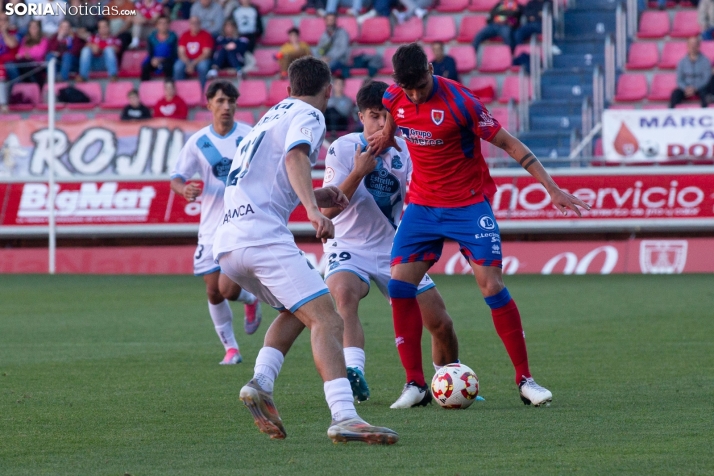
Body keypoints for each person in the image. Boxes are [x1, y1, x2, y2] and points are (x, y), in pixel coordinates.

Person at [367, 43, 590, 407]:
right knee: (400, 285)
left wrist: (551, 188)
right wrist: (387, 135)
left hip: (468, 205)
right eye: (409, 89)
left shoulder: (461, 102)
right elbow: (395, 114)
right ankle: (415, 384)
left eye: (421, 86)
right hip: (422, 204)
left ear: (431, 67)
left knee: (491, 286)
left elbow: (509, 143)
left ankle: (525, 380)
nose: (416, 94)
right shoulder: (395, 96)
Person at [214, 57, 398, 444]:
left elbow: (266, 182)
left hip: (229, 242)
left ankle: (261, 382)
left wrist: (315, 195)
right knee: (329, 319)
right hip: (262, 237)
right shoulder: (311, 115)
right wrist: (315, 212)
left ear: (287, 87)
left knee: (296, 310)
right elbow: (295, 156)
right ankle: (345, 416)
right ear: (329, 91)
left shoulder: (267, 118)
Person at [321, 80, 460, 406]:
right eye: (374, 117)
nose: (382, 125)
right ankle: (354, 372)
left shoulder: (407, 150)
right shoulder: (342, 148)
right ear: (360, 117)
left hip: (393, 248)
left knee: (440, 323)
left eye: (388, 117)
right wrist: (359, 171)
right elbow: (327, 210)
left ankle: (448, 382)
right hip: (347, 246)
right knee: (344, 293)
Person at [170, 80, 262, 364]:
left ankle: (250, 299)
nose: (226, 106)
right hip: (210, 226)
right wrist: (184, 189)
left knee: (228, 289)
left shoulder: (248, 136)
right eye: (221, 101)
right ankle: (231, 349)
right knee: (213, 290)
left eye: (231, 101)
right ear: (209, 104)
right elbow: (177, 178)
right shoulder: (199, 142)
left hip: (240, 223)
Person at [670, 36, 711, 108]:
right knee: (675, 94)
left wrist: (695, 88)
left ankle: (705, 115)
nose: (693, 47)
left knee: (705, 95)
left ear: (698, 46)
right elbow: (679, 79)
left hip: (700, 87)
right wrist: (685, 88)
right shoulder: (682, 62)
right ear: (687, 46)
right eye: (691, 44)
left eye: (695, 44)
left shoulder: (705, 61)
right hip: (686, 88)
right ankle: (671, 115)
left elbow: (706, 78)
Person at [174, 16, 214, 89]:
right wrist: (188, 64)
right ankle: (180, 90)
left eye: (197, 23)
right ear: (189, 24)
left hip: (201, 60)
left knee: (203, 67)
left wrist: (192, 64)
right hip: (187, 60)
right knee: (177, 67)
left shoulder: (206, 35)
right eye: (193, 23)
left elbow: (206, 54)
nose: (195, 25)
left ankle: (203, 91)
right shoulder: (184, 35)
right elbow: (181, 52)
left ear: (200, 24)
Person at [6, 20, 48, 89]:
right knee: (10, 65)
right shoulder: (25, 39)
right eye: (31, 27)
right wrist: (24, 55)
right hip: (24, 63)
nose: (32, 29)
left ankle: (31, 88)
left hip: (36, 65)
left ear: (39, 28)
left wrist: (28, 54)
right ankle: (17, 88)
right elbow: (20, 52)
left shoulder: (43, 40)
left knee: (25, 63)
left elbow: (40, 53)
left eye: (35, 27)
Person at [141, 16, 178, 81]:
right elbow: (150, 52)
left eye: (165, 23)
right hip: (155, 60)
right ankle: (145, 88)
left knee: (168, 66)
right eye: (160, 23)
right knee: (145, 66)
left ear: (168, 25)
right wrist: (153, 60)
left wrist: (161, 59)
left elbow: (174, 53)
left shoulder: (173, 37)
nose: (163, 25)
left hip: (168, 60)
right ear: (157, 25)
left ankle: (169, 86)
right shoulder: (151, 37)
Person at [316, 13, 351, 78]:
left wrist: (329, 57)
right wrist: (321, 57)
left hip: (340, 60)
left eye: (332, 20)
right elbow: (319, 50)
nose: (330, 22)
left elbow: (343, 50)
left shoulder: (342, 33)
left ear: (335, 21)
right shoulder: (324, 35)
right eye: (328, 20)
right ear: (325, 21)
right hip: (325, 60)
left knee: (325, 67)